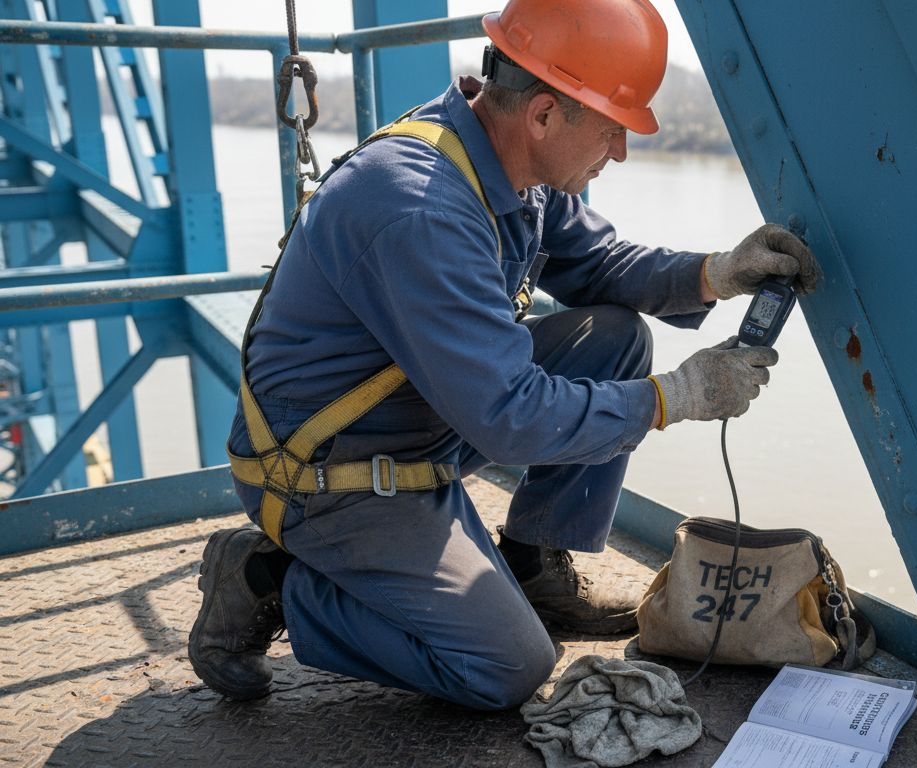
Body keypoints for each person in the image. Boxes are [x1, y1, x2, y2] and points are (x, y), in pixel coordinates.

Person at [188, 0, 820, 710]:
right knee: (507, 667)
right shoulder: (419, 205)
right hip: (327, 470)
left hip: (419, 417)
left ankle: (530, 564)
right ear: (545, 114)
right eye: (612, 129)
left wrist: (717, 272)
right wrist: (678, 397)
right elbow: (509, 416)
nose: (618, 152)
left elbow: (601, 265)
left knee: (613, 339)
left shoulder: (510, 162)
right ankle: (271, 583)